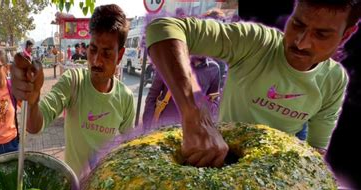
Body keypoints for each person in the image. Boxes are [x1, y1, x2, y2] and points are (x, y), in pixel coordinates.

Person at [146, 0, 360, 167]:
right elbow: (163, 28)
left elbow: (315, 151)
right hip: (216, 160)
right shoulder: (256, 42)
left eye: (321, 35)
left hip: (273, 176)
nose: (301, 42)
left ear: (346, 35)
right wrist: (193, 113)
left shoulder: (335, 80)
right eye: (297, 24)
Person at [11, 4, 136, 177]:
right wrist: (32, 103)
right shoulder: (73, 81)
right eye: (93, 49)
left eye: (106, 53)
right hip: (72, 186)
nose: (96, 61)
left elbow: (127, 146)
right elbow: (34, 126)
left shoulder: (126, 98)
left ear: (120, 55)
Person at [143, 55, 226, 130]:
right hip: (163, 127)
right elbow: (152, 95)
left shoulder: (214, 68)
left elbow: (213, 99)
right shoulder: (168, 62)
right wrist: (147, 127)